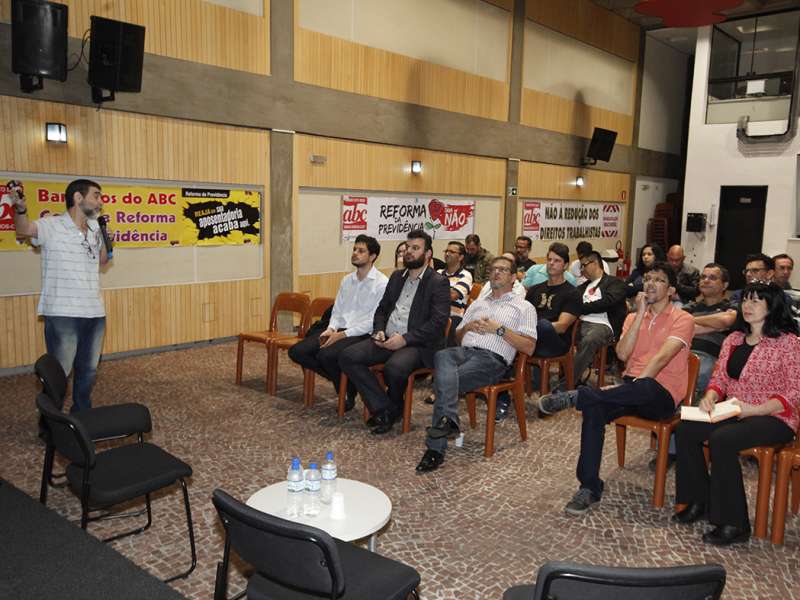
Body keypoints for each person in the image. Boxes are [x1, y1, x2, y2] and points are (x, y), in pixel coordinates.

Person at [539, 262, 694, 515]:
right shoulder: (633, 316)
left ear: (672, 290)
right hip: (631, 388)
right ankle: (589, 487)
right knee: (594, 408)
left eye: (659, 280)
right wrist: (640, 314)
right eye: (648, 279)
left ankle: (580, 395)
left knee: (630, 390)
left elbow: (661, 359)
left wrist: (636, 385)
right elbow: (622, 353)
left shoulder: (683, 319)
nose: (651, 284)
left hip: (662, 396)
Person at [673, 282, 800, 545]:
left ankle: (734, 522)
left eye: (756, 301)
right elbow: (719, 379)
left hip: (775, 417)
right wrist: (710, 397)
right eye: (745, 300)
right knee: (686, 429)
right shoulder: (734, 339)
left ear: (772, 306)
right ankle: (699, 500)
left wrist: (756, 409)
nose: (747, 306)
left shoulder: (788, 343)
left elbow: (794, 391)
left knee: (723, 439)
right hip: (734, 409)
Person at [415, 256, 538, 472]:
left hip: (492, 359)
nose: (496, 273)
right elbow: (458, 337)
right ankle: (449, 421)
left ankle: (435, 450)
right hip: (463, 352)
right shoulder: (477, 304)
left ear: (512, 277)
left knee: (445, 384)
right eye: (493, 269)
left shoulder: (524, 307)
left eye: (503, 269)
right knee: (442, 356)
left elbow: (529, 347)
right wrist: (468, 327)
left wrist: (499, 330)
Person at [10, 179, 111, 412]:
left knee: (88, 370)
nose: (100, 201)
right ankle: (51, 423)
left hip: (94, 312)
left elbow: (104, 261)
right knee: (60, 372)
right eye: (96, 195)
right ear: (78, 198)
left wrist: (106, 236)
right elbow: (23, 230)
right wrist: (21, 209)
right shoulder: (51, 225)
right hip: (62, 312)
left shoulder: (96, 228)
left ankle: (82, 415)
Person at [339, 229, 450, 434]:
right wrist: (380, 330)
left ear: (427, 254)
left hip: (418, 344)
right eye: (407, 247)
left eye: (415, 248)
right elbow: (382, 309)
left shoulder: (438, 282)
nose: (408, 252)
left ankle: (387, 410)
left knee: (394, 368)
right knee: (348, 356)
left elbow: (438, 323)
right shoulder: (397, 276)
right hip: (387, 338)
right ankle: (386, 408)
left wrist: (405, 339)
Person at [288, 235, 388, 411]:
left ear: (372, 257)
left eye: (361, 251)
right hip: (338, 329)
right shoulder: (347, 279)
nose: (355, 253)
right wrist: (331, 328)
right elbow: (337, 310)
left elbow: (373, 321)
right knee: (297, 351)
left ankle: (345, 389)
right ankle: (346, 384)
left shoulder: (381, 283)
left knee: (326, 355)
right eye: (355, 250)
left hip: (360, 333)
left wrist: (341, 335)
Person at [572, 251, 628, 386]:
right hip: (579, 322)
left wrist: (581, 308)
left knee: (590, 339)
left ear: (595, 263)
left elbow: (608, 302)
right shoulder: (581, 288)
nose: (582, 269)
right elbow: (571, 304)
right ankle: (569, 377)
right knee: (560, 334)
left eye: (584, 265)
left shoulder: (615, 283)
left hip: (602, 324)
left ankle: (568, 382)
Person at [437, 241, 473, 344]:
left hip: (453, 316)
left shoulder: (465, 275)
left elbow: (453, 295)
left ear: (461, 257)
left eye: (452, 252)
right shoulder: (438, 273)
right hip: (435, 312)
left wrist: (435, 290)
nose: (447, 254)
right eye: (446, 251)